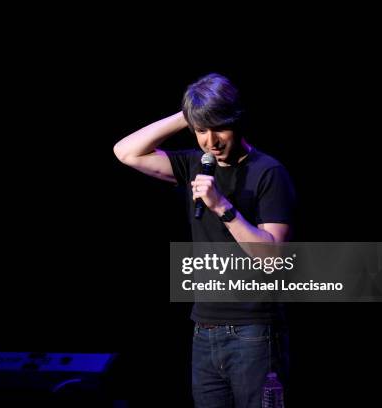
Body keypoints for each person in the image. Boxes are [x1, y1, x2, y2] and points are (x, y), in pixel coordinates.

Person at [113, 73, 295, 407]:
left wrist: (223, 207)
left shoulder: (268, 172)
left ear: (236, 120)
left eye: (218, 127)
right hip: (204, 329)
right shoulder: (196, 164)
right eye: (201, 130)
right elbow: (125, 151)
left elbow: (273, 259)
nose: (210, 141)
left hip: (253, 332)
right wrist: (191, 112)